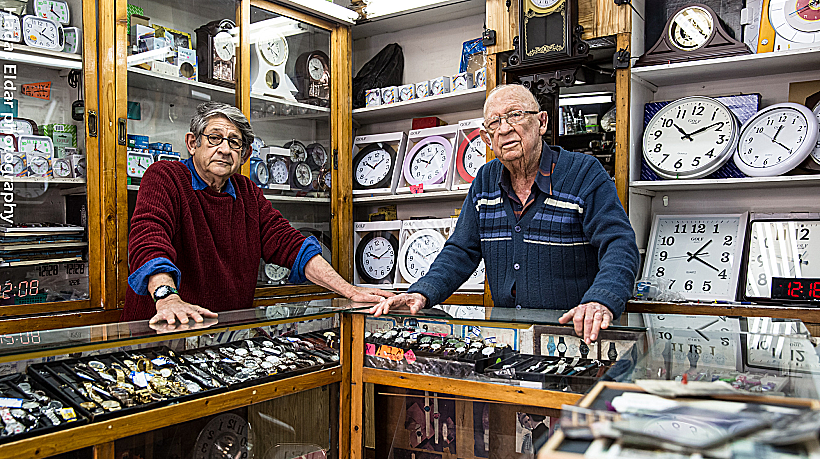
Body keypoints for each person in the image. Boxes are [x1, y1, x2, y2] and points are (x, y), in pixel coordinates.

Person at [371, 84, 639, 343]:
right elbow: (460, 251)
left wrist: (601, 299)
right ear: (487, 138)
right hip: (508, 338)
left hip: (574, 335)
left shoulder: (583, 173)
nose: (505, 129)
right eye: (494, 123)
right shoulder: (485, 180)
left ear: (542, 122)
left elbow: (619, 243)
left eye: (515, 115)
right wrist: (422, 292)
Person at [123, 102, 391, 324]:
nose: (225, 149)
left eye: (234, 143)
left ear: (245, 154)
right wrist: (167, 297)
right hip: (163, 326)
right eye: (214, 138)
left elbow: (293, 245)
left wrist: (348, 290)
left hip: (223, 333)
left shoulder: (247, 192)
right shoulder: (165, 177)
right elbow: (149, 238)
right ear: (192, 143)